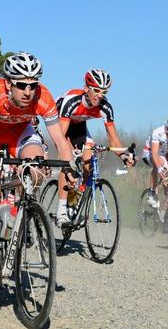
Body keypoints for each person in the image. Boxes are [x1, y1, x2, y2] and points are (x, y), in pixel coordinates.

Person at [0, 52, 74, 299]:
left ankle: (20, 209)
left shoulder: (43, 97)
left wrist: (70, 168)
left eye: (32, 84)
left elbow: (60, 140)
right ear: (8, 83)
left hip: (21, 135)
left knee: (36, 168)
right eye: (21, 85)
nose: (28, 91)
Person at [55, 69, 135, 224]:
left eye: (103, 91)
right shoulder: (72, 100)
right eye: (96, 90)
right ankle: (61, 211)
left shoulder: (105, 107)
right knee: (68, 161)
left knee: (89, 161)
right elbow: (60, 137)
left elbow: (114, 141)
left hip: (79, 126)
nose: (99, 95)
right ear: (86, 88)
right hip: (60, 124)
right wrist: (69, 153)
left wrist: (124, 156)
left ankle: (75, 202)